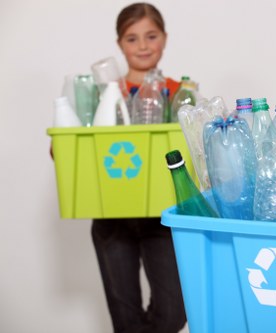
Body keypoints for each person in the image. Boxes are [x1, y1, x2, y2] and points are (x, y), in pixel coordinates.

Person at [91, 3, 186, 333]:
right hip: (111, 215)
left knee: (173, 312)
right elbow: (69, 149)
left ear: (165, 38)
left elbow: (190, 144)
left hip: (159, 215)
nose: (143, 46)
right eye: (132, 39)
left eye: (151, 36)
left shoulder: (178, 92)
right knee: (125, 316)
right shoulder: (102, 93)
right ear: (119, 44)